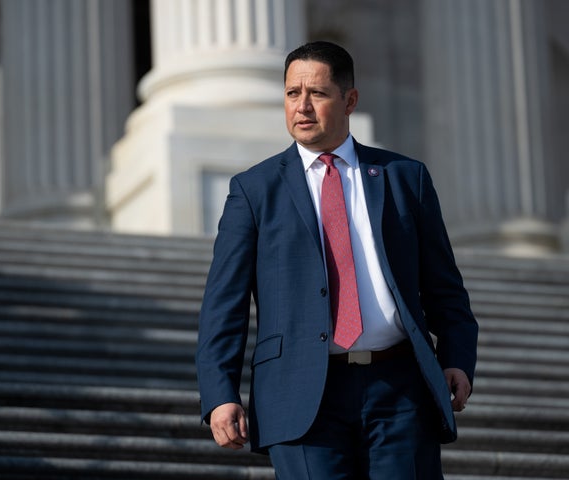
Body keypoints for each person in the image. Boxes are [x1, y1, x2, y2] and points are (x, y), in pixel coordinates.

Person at [196, 40, 478, 479]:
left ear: (349, 100)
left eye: (317, 94)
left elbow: (444, 287)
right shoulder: (254, 191)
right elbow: (223, 304)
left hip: (400, 389)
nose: (302, 107)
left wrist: (457, 357)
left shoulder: (405, 178)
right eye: (292, 94)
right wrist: (219, 392)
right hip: (300, 393)